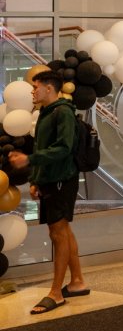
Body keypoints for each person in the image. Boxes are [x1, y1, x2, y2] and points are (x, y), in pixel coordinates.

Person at [9, 71, 87, 314]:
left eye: (36, 87)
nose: (33, 91)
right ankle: (77, 282)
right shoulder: (46, 112)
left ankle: (56, 292)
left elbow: (63, 148)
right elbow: (45, 147)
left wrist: (29, 159)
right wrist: (36, 179)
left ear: (49, 89)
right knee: (62, 231)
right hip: (51, 179)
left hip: (62, 180)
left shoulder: (62, 112)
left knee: (58, 233)